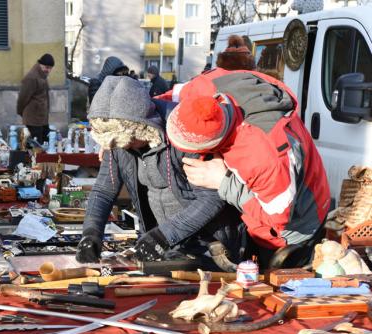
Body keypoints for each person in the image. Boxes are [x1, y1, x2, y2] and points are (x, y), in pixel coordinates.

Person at [166, 69, 330, 267]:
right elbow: (168, 96)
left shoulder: (263, 156)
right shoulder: (205, 88)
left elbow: (278, 219)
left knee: (276, 284)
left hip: (292, 228)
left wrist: (223, 181)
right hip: (263, 199)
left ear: (212, 145)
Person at [76, 76, 244, 265]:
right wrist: (91, 234)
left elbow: (212, 197)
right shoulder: (117, 141)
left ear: (141, 127)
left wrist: (163, 236)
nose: (121, 147)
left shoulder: (184, 131)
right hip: (169, 245)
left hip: (211, 245)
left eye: (126, 140)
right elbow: (104, 191)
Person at [17, 53, 54, 144]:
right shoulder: (31, 77)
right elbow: (23, 97)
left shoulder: (42, 76)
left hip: (41, 119)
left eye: (50, 68)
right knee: (36, 147)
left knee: (46, 144)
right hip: (33, 120)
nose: (48, 70)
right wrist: (21, 112)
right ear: (40, 64)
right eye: (46, 67)